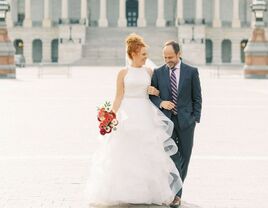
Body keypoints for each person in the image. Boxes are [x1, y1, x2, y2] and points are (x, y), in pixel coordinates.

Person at [84, 34, 182, 207]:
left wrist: (155, 92)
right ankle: (125, 191)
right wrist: (109, 117)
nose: (146, 57)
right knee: (125, 152)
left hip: (145, 114)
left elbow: (157, 93)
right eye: (143, 54)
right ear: (134, 53)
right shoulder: (122, 73)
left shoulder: (149, 72)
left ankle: (150, 191)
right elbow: (118, 97)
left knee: (147, 152)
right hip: (127, 115)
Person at [149, 40, 202, 207]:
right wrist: (161, 103)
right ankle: (175, 194)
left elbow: (197, 97)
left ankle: (177, 193)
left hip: (187, 123)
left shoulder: (191, 72)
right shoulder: (158, 73)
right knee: (174, 158)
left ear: (179, 54)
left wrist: (195, 119)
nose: (167, 60)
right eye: (165, 57)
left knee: (185, 158)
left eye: (170, 57)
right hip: (167, 123)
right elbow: (152, 96)